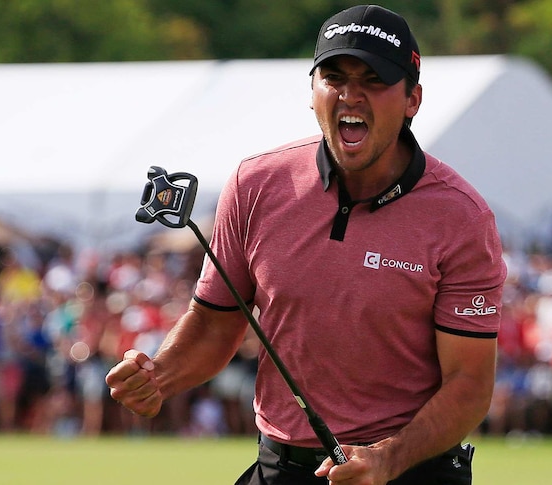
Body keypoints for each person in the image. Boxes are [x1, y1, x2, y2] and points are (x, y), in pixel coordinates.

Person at [105, 5, 507, 485]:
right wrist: (158, 376)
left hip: (410, 469)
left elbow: (469, 384)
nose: (350, 95)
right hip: (282, 467)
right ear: (312, 91)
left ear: (411, 100)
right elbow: (215, 325)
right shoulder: (255, 184)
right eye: (333, 77)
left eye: (373, 80)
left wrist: (386, 459)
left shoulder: (460, 215)